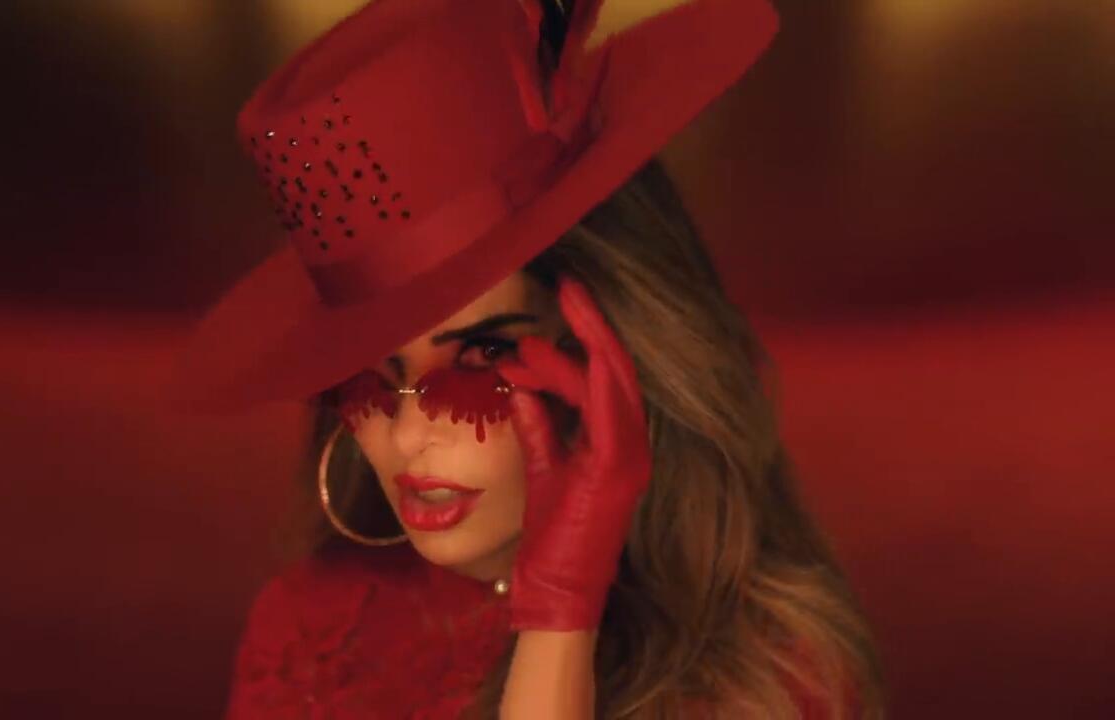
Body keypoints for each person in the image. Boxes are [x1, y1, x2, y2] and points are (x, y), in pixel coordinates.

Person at [174, 0, 885, 716]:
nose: (411, 435)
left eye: (483, 356)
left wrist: (560, 612)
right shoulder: (307, 634)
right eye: (374, 376)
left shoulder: (767, 674)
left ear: (620, 349)